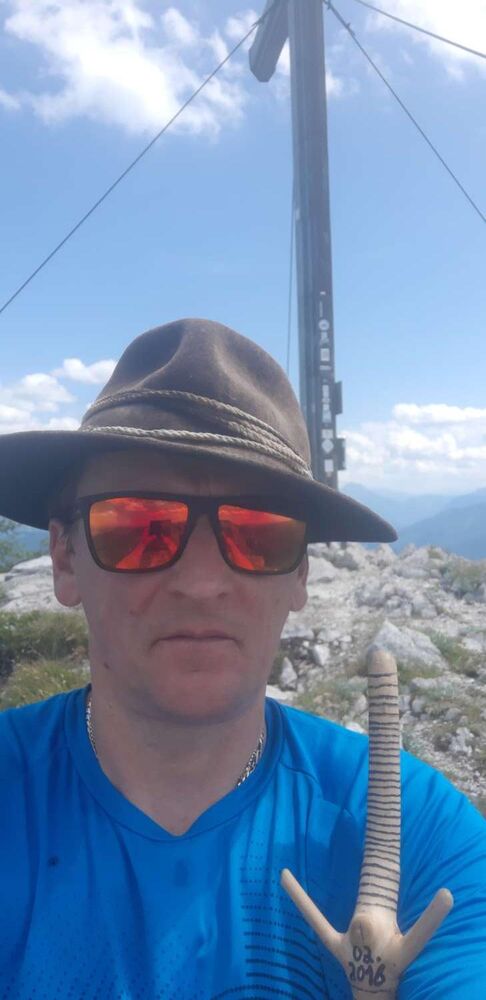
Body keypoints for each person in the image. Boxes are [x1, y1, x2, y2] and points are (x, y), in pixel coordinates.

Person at [0, 317, 484, 1000]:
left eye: (260, 534)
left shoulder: (419, 835)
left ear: (300, 575)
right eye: (139, 526)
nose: (202, 583)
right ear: (64, 558)